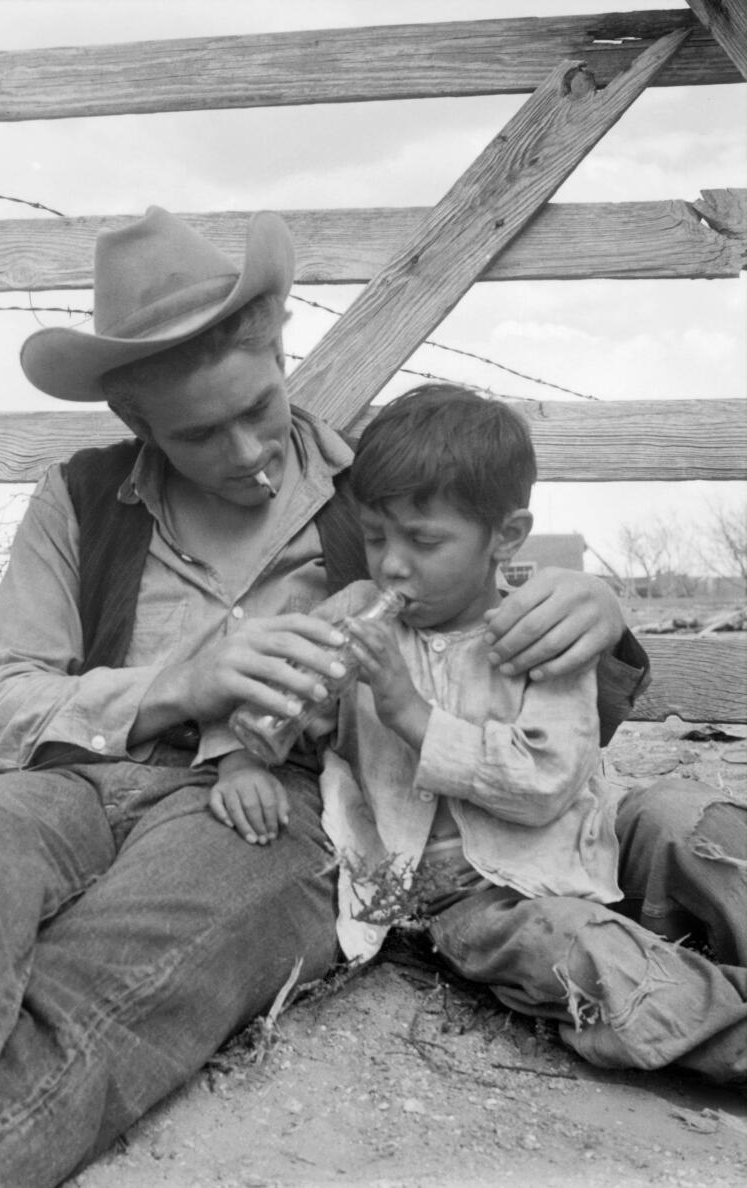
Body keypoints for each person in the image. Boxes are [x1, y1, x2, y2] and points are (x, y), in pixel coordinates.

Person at [0, 207, 731, 1188]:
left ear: (283, 350)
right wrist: (173, 683)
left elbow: (495, 621)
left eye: (262, 409)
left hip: (267, 807)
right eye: (201, 435)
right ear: (132, 421)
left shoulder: (377, 496)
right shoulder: (81, 498)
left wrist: (598, 602)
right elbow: (3, 699)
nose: (252, 455)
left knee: (139, 951)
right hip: (75, 780)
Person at [313, 384, 745, 1080]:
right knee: (583, 950)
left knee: (689, 819)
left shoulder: (538, 633)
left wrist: (408, 711)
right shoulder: (358, 615)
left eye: (423, 541)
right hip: (467, 889)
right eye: (373, 536)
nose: (391, 563)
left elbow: (545, 784)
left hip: (578, 833)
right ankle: (728, 1029)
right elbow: (294, 710)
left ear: (506, 538)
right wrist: (275, 718)